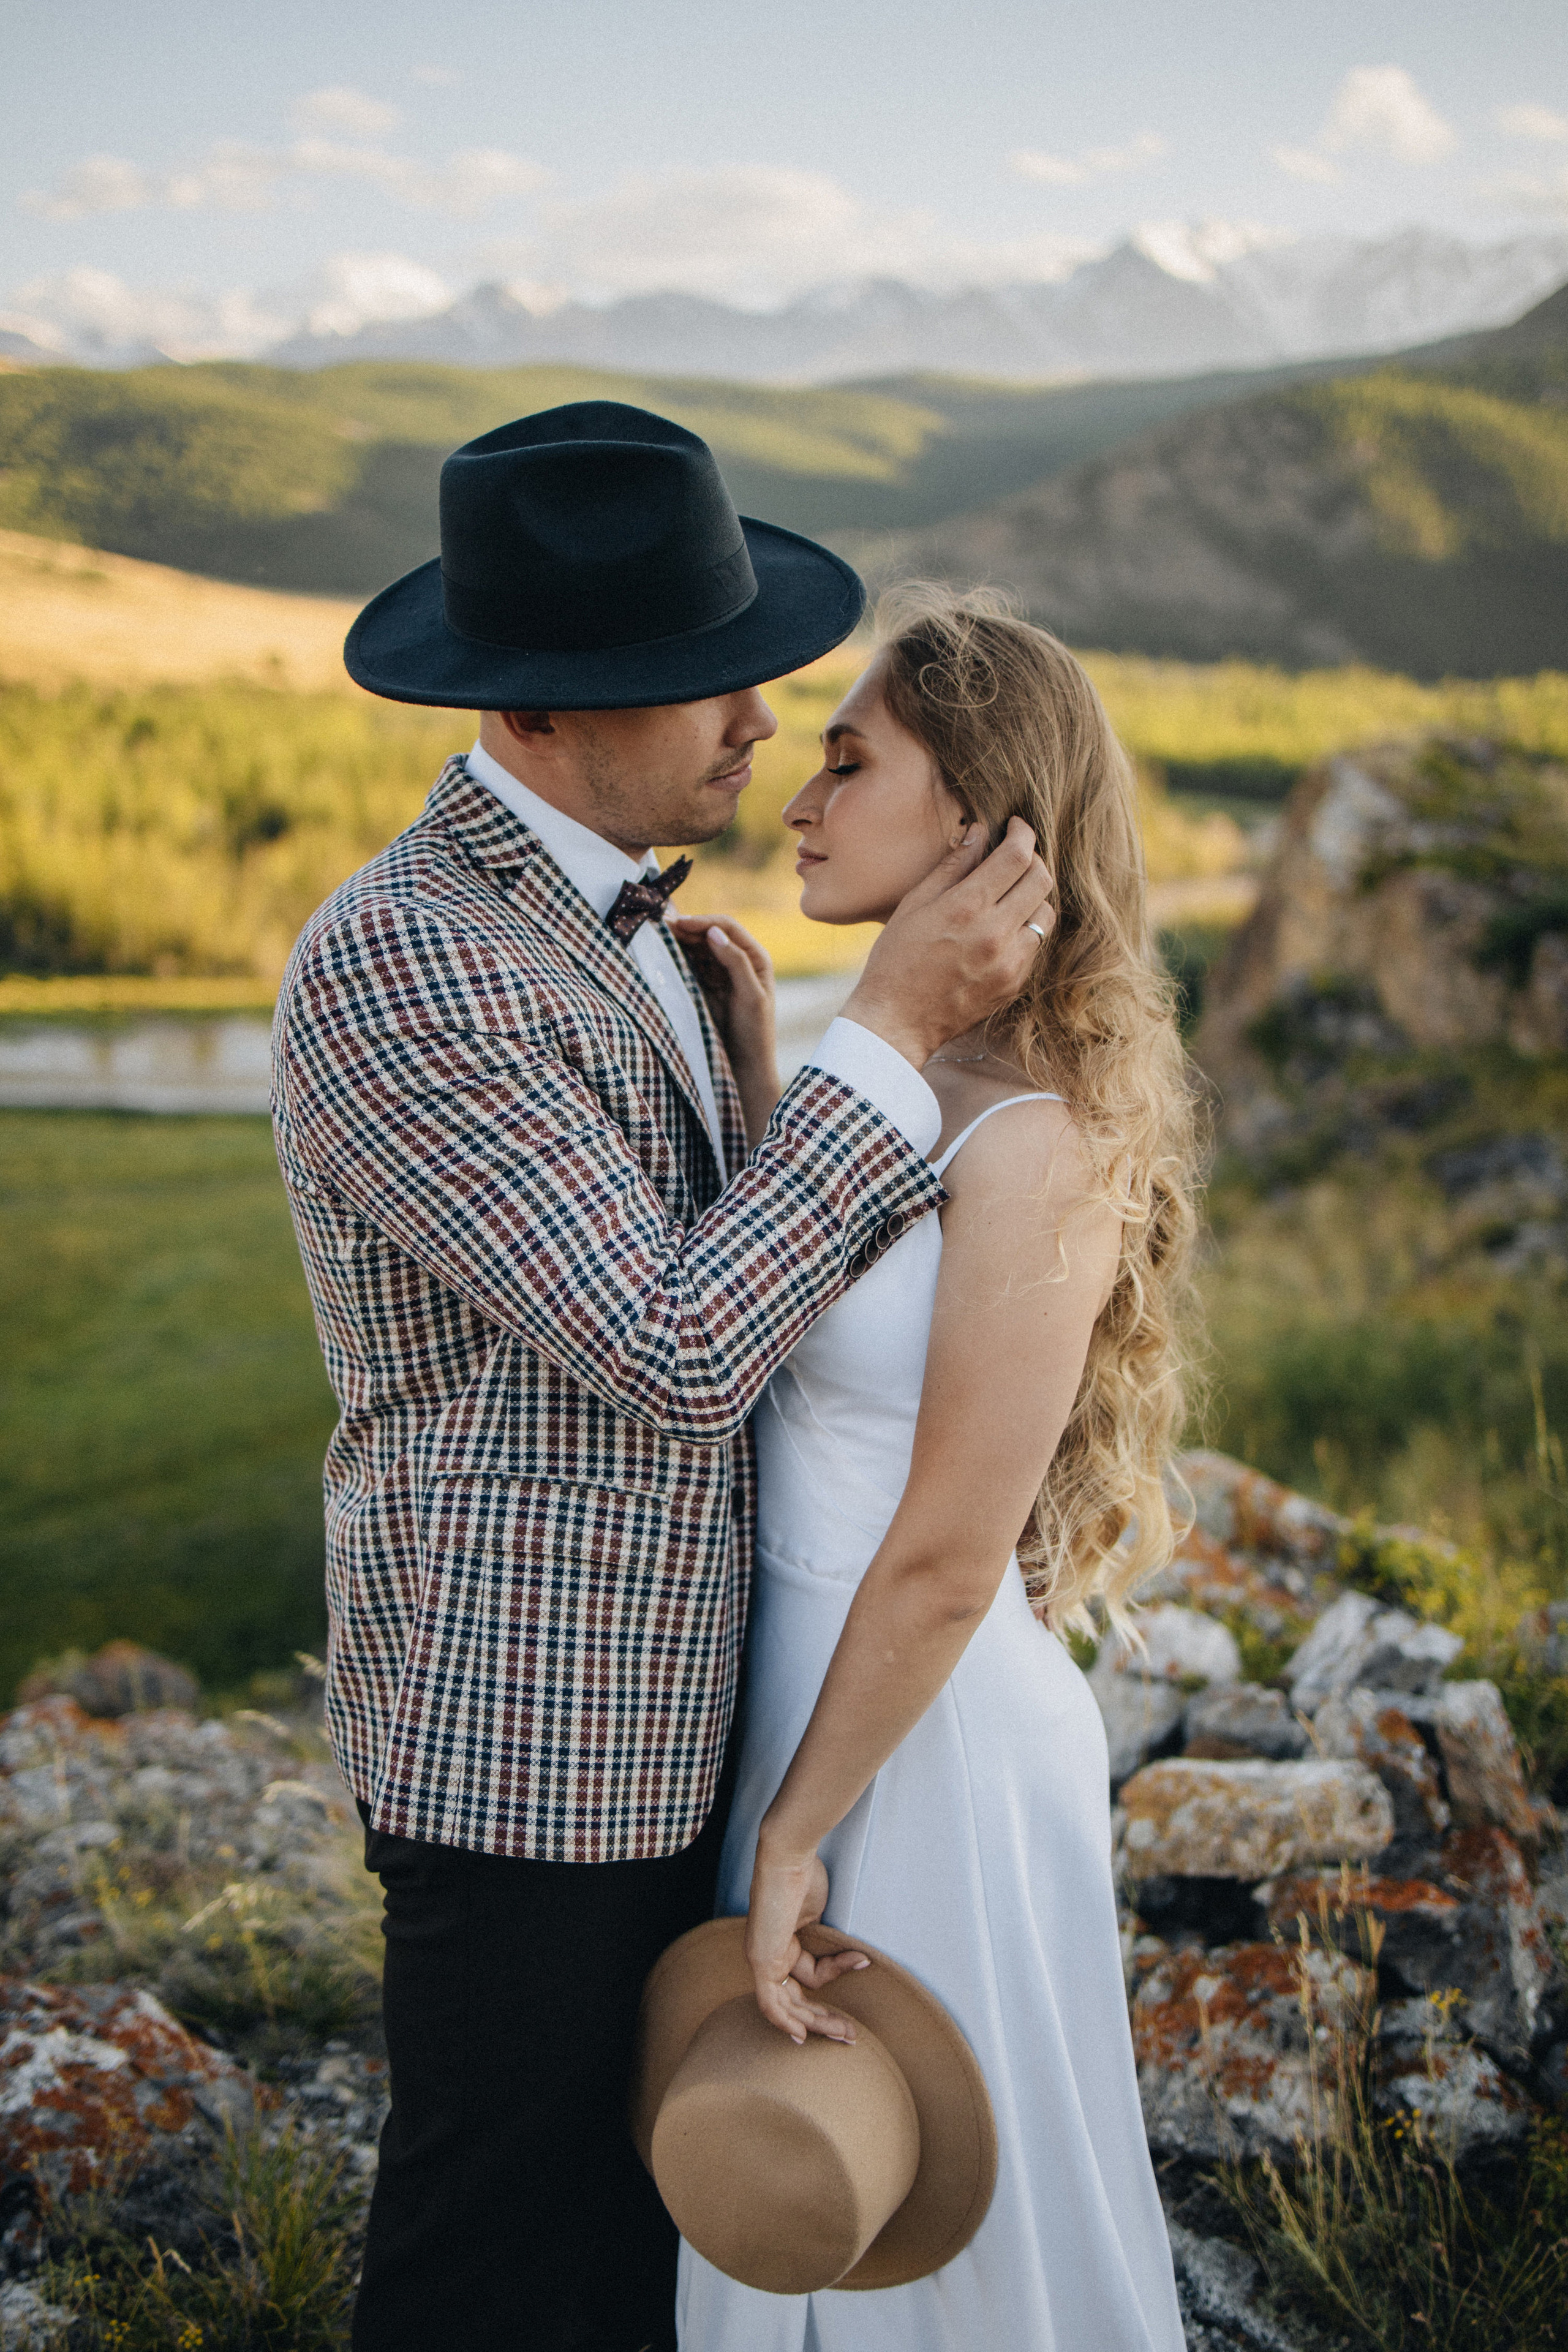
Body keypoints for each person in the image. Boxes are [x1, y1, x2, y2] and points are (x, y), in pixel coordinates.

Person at [270, 407, 1054, 2352]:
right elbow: (681, 1349)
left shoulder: (639, 924)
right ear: (537, 711)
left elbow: (734, 1287)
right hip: (534, 1738)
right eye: (699, 682)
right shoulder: (411, 961)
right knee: (499, 2246)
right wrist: (887, 1034)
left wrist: (777, 1080)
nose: (759, 725)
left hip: (706, 1706)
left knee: (646, 2250)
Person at [673, 586, 1198, 2351]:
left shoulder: (1039, 1134)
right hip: (813, 1703)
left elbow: (950, 1551)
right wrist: (764, 1101)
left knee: (941, 2224)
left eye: (847, 761)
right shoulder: (902, 1080)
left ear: (981, 816)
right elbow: (800, 1344)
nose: (799, 801)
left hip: (926, 1735)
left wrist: (799, 1828)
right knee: (803, 2175)